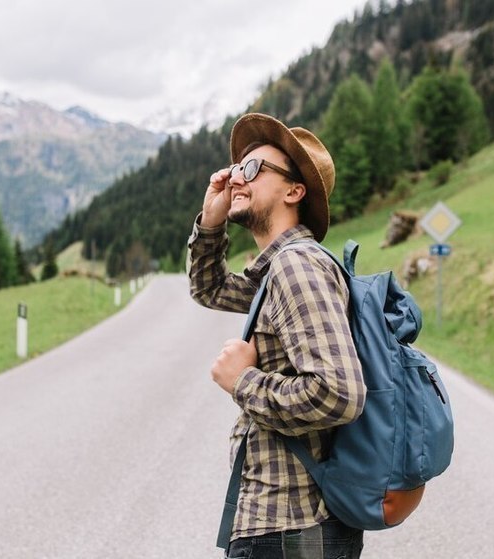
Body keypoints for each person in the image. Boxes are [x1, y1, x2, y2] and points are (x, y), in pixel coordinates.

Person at [186, 113, 366, 559]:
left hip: (290, 531)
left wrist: (242, 381)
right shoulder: (277, 271)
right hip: (290, 530)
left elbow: (339, 393)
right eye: (235, 170)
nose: (236, 180)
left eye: (253, 169)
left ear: (293, 190)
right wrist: (211, 221)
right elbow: (209, 288)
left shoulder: (296, 267)